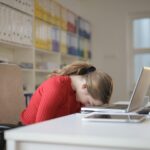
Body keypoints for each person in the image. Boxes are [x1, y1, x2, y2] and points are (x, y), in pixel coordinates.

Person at [20, 61, 113, 125]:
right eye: (89, 102)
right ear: (84, 87)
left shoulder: (78, 94)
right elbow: (40, 128)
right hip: (28, 131)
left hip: (53, 131)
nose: (86, 105)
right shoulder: (56, 87)